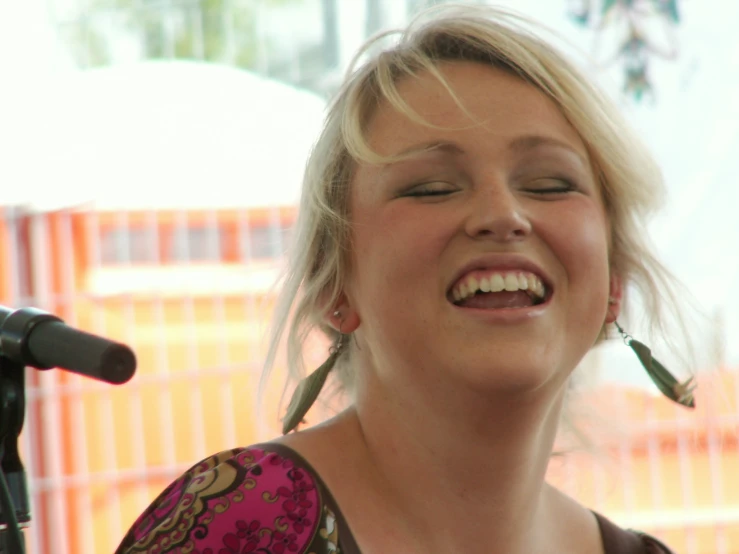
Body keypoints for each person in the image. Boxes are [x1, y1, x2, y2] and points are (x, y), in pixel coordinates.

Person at [116, 5, 697, 553]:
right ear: (335, 291)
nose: (502, 215)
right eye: (431, 188)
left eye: (549, 184)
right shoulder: (244, 526)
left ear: (613, 284)